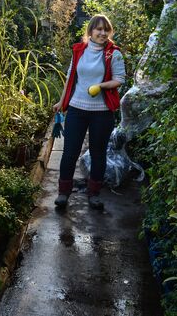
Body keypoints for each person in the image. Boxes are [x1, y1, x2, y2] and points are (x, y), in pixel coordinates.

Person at [52, 14, 126, 210]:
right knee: (70, 153)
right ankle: (63, 193)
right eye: (98, 29)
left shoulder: (114, 54)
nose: (102, 33)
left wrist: (101, 86)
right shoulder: (79, 50)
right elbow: (70, 76)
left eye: (106, 29)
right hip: (77, 109)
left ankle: (94, 194)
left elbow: (120, 79)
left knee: (98, 154)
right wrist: (61, 101)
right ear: (90, 31)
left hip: (101, 113)